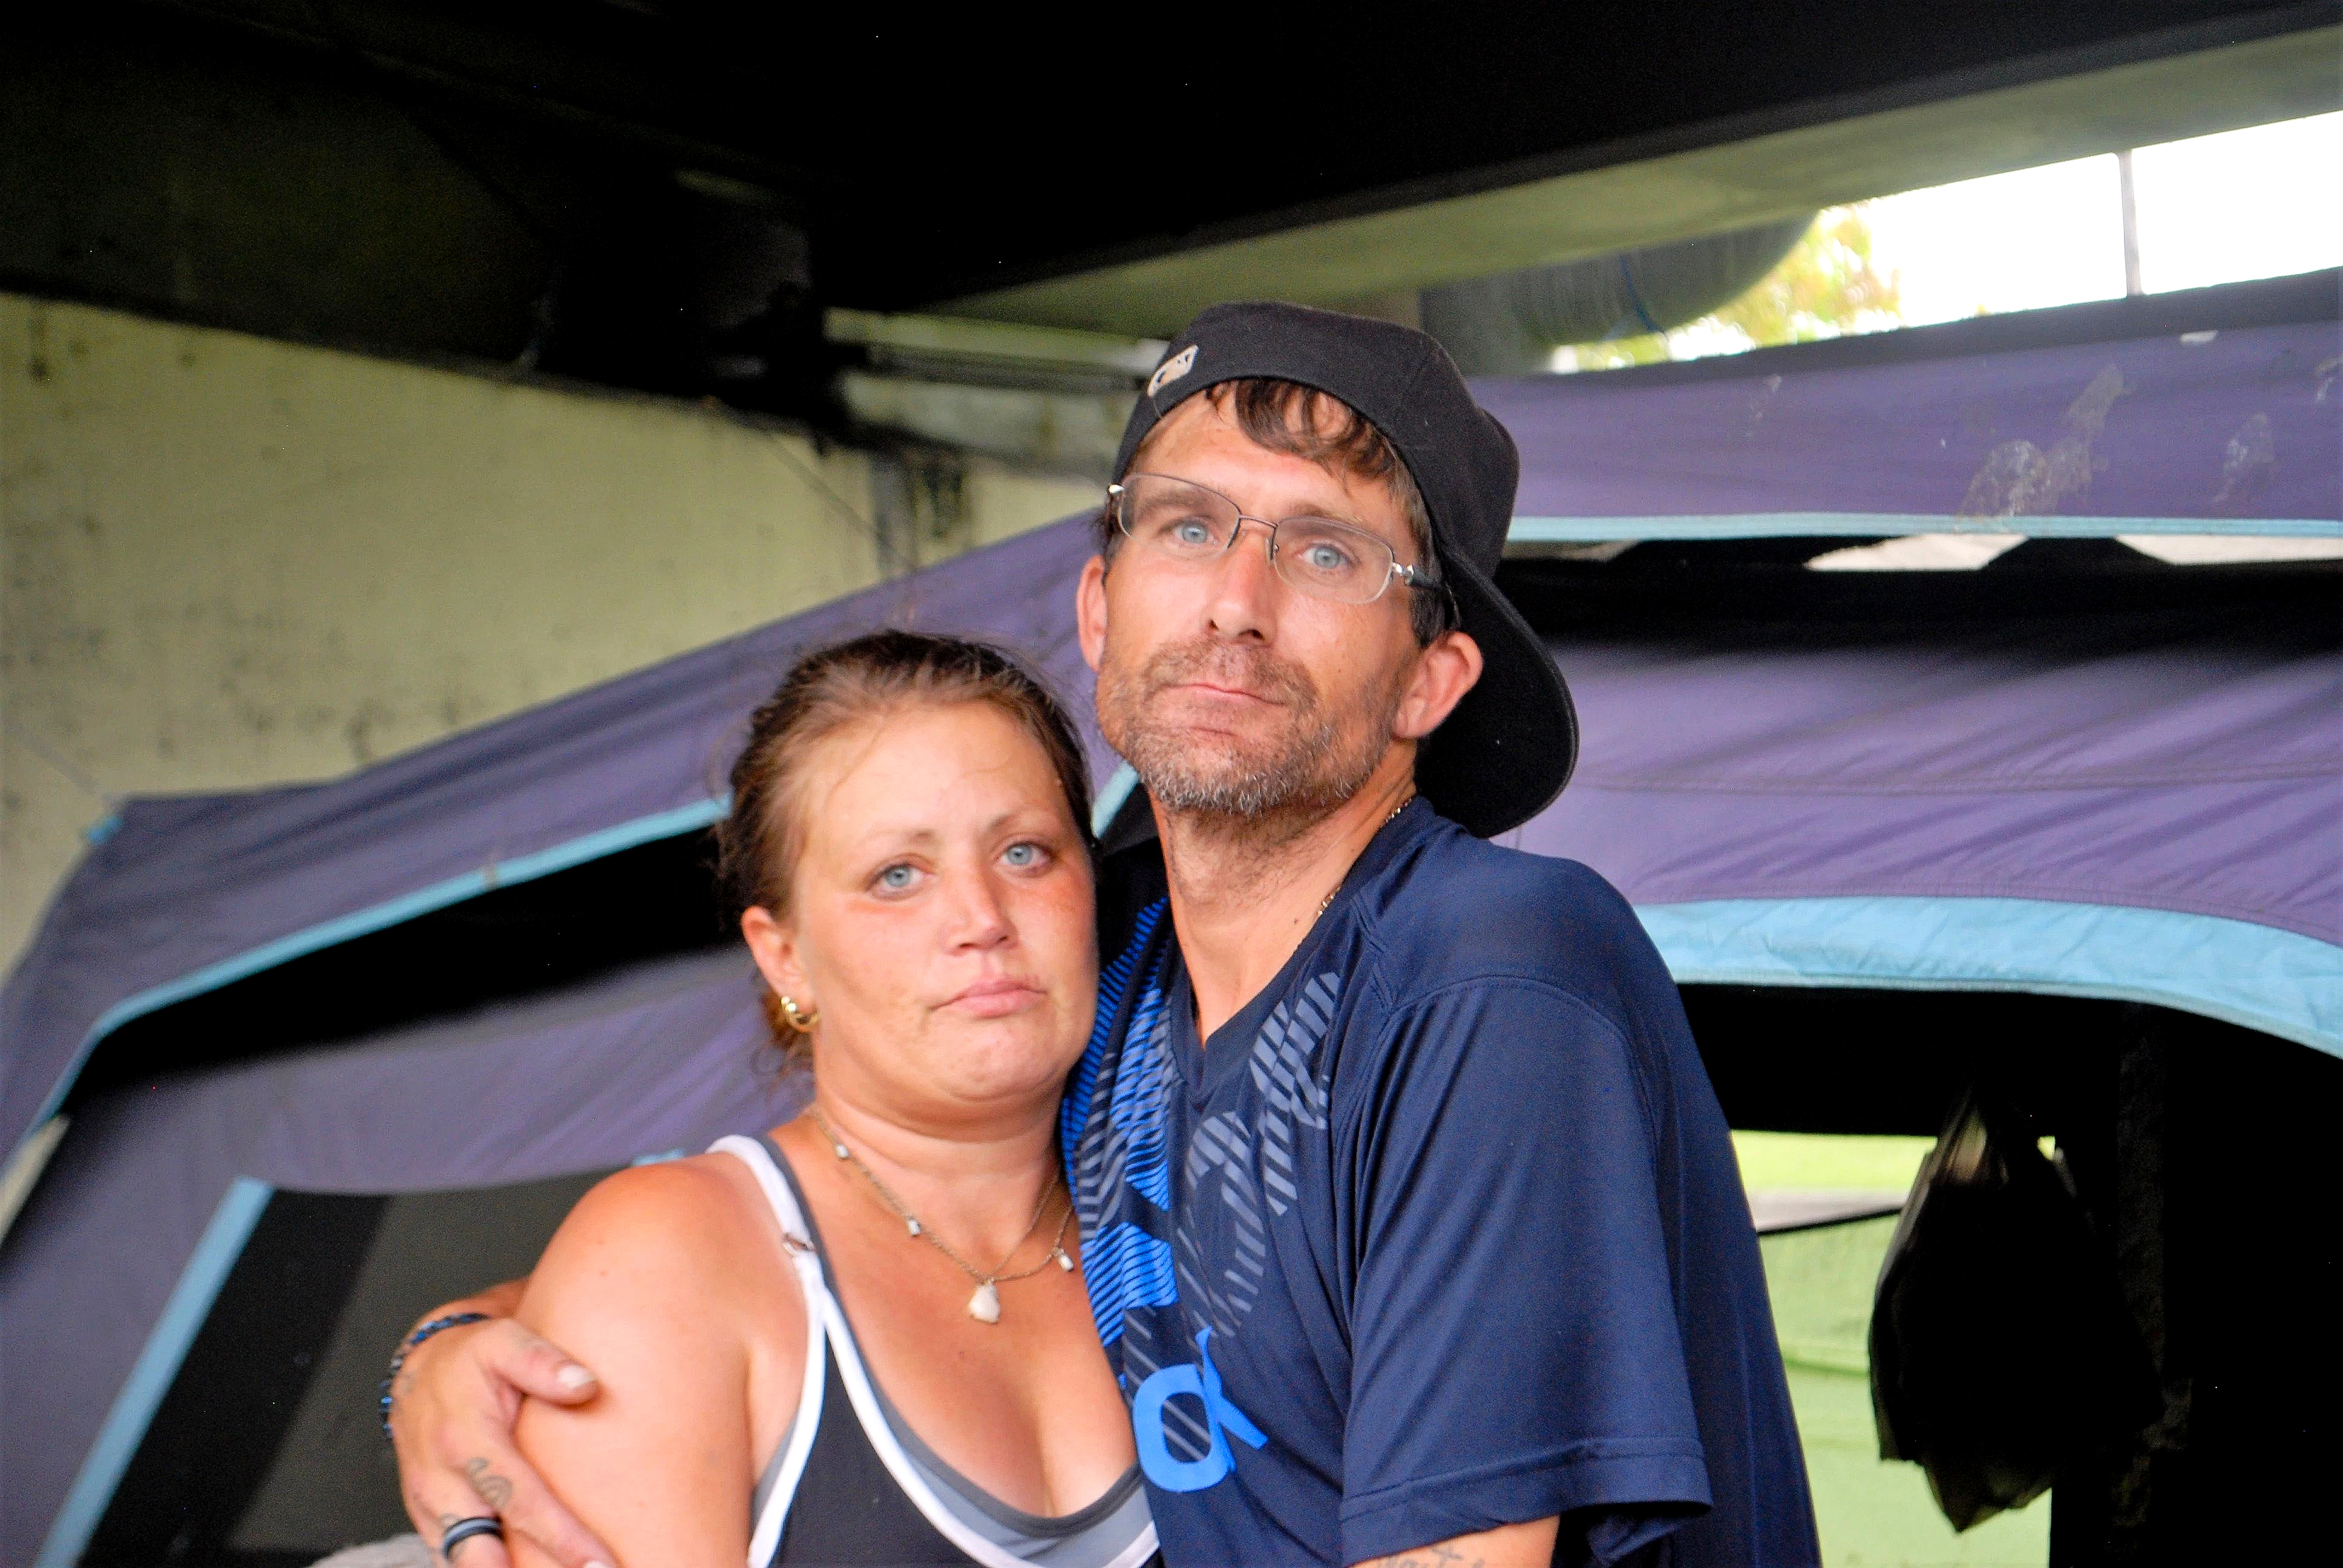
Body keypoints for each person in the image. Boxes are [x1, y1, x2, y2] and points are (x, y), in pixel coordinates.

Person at [388, 304, 1820, 1567]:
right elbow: (780, 1246)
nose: (1234, 604)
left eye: (1326, 551)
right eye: (1187, 526)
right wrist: (461, 1349)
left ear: (1429, 682)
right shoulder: (1101, 958)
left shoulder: (1494, 971)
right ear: (1098, 605)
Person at [396, 632, 1159, 1568]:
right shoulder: (668, 1254)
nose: (981, 919)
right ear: (784, 956)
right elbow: (621, 1304)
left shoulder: (1187, 1200)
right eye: (897, 876)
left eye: (1026, 853)